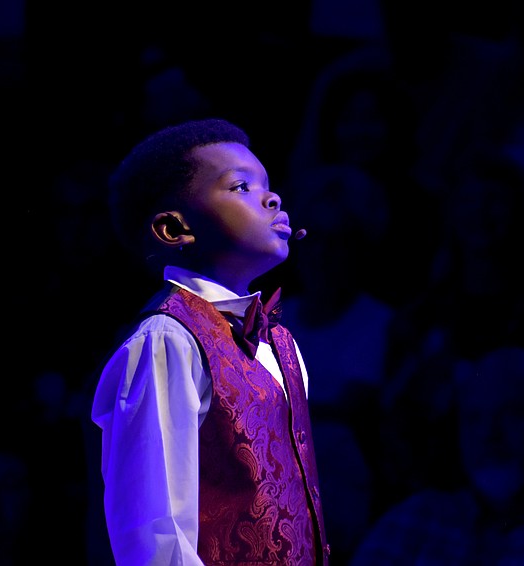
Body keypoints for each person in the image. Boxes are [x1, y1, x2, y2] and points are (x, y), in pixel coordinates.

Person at [90, 118, 330, 565]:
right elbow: (154, 532)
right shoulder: (167, 343)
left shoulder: (280, 342)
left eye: (268, 186)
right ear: (173, 229)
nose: (272, 198)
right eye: (241, 187)